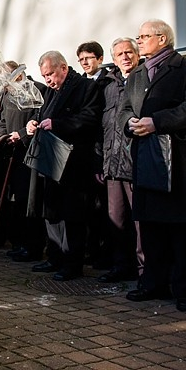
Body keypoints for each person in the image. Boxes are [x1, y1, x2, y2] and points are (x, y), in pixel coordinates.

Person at [120, 19, 186, 312]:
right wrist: (129, 123)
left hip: (179, 163)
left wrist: (156, 122)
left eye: (144, 36)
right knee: (150, 228)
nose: (139, 40)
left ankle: (185, 291)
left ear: (163, 38)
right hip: (146, 158)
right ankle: (153, 283)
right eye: (139, 36)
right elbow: (123, 110)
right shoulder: (135, 76)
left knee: (181, 230)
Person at [24, 50, 101, 281]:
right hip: (50, 160)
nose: (48, 79)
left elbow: (89, 118)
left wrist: (57, 123)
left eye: (51, 74)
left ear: (64, 68)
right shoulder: (50, 91)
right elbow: (42, 115)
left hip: (74, 163)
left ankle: (72, 263)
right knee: (52, 211)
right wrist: (33, 124)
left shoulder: (85, 87)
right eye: (44, 75)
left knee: (72, 215)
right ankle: (55, 256)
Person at [95, 37, 144, 284]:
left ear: (136, 55)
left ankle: (144, 270)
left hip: (136, 164)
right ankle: (120, 266)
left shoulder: (144, 79)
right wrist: (100, 161)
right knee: (116, 219)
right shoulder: (108, 86)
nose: (125, 57)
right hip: (112, 164)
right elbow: (100, 126)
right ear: (113, 59)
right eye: (120, 54)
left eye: (129, 52)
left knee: (140, 223)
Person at [0, 61, 47, 262]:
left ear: (18, 76)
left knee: (30, 201)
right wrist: (2, 139)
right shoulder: (7, 95)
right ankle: (19, 242)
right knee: (16, 201)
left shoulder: (38, 90)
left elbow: (38, 121)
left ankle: (33, 246)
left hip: (31, 154)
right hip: (12, 154)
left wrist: (20, 135)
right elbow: (3, 122)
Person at [77, 41, 113, 271]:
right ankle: (90, 250)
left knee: (103, 207)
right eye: (81, 60)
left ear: (99, 58)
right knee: (88, 206)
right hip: (85, 152)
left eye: (89, 58)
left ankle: (103, 253)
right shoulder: (81, 83)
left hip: (101, 149)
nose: (85, 63)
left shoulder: (107, 82)